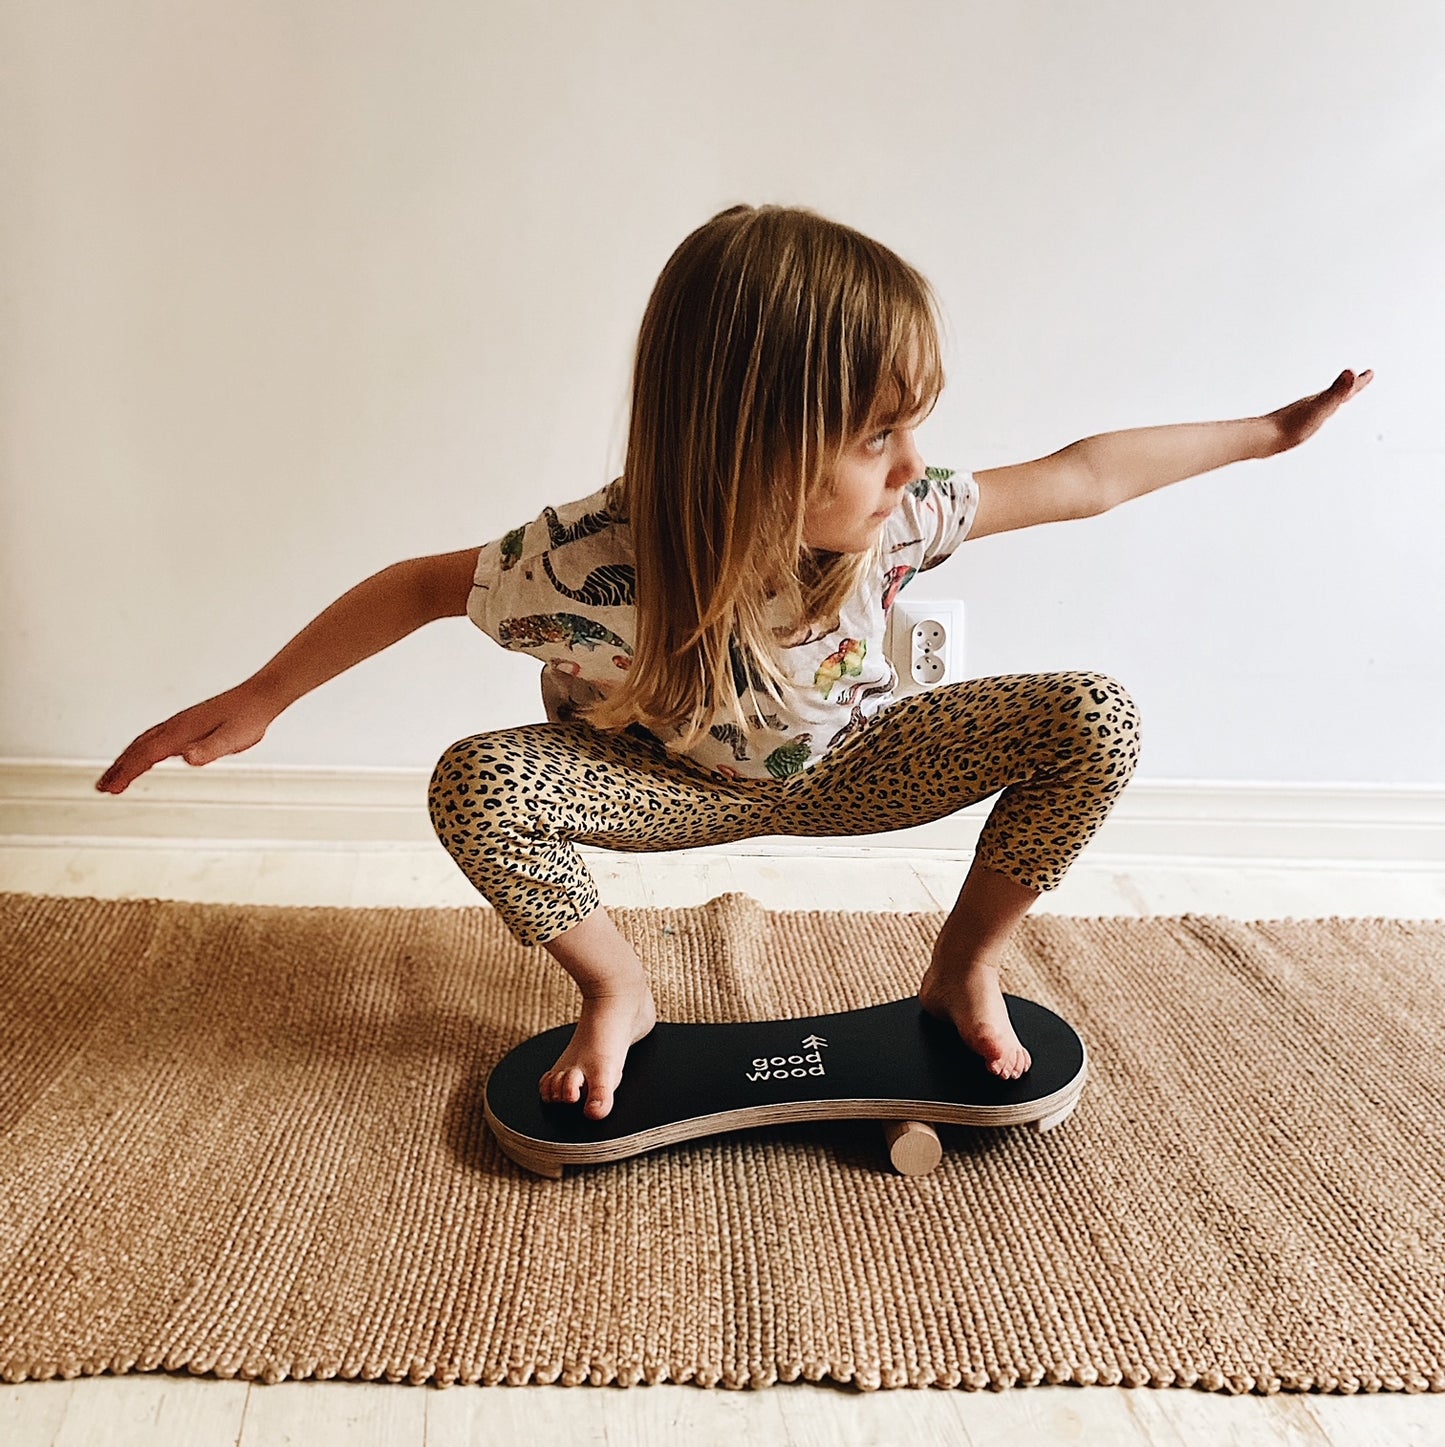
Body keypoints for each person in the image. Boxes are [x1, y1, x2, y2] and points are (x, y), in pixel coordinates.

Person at [97, 203, 1373, 1123]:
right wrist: (257, 699)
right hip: (659, 786)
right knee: (475, 782)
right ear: (748, 440)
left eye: (912, 428)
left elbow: (1082, 475)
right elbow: (419, 587)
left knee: (1094, 716)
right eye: (876, 435)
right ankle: (619, 991)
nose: (914, 465)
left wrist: (1269, 432)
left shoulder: (894, 516)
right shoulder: (581, 560)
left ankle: (962, 968)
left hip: (851, 765)